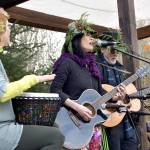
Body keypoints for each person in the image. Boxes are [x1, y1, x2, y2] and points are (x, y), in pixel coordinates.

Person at [50, 13, 127, 150]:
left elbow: (99, 93)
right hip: (69, 125)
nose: (93, 39)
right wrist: (77, 107)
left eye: (93, 36)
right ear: (77, 39)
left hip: (91, 129)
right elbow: (55, 91)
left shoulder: (92, 66)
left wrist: (116, 96)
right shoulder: (66, 63)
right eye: (88, 35)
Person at [0, 8, 64, 150]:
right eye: (8, 27)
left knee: (52, 125)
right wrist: (34, 79)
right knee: (56, 137)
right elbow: (3, 93)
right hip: (2, 130)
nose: (10, 30)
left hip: (6, 123)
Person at [96, 31, 138, 150]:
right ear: (102, 49)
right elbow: (94, 91)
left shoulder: (120, 68)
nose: (115, 53)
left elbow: (124, 96)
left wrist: (124, 97)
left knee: (131, 144)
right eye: (111, 49)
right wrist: (113, 97)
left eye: (117, 50)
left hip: (124, 118)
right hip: (107, 118)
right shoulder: (96, 66)